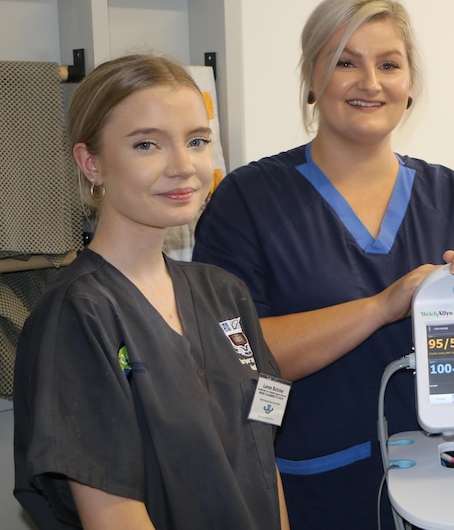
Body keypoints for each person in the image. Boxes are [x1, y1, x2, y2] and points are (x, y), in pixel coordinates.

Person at [192, 0, 454, 530]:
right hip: (310, 489)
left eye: (388, 64)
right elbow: (233, 358)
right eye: (345, 62)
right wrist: (381, 306)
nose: (370, 83)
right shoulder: (248, 202)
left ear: (410, 84)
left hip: (446, 484)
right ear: (311, 82)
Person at [13, 54, 290, 530]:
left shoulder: (225, 294)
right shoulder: (79, 316)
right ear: (92, 162)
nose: (184, 166)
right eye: (147, 144)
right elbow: (113, 513)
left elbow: (264, 457)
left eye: (197, 141)